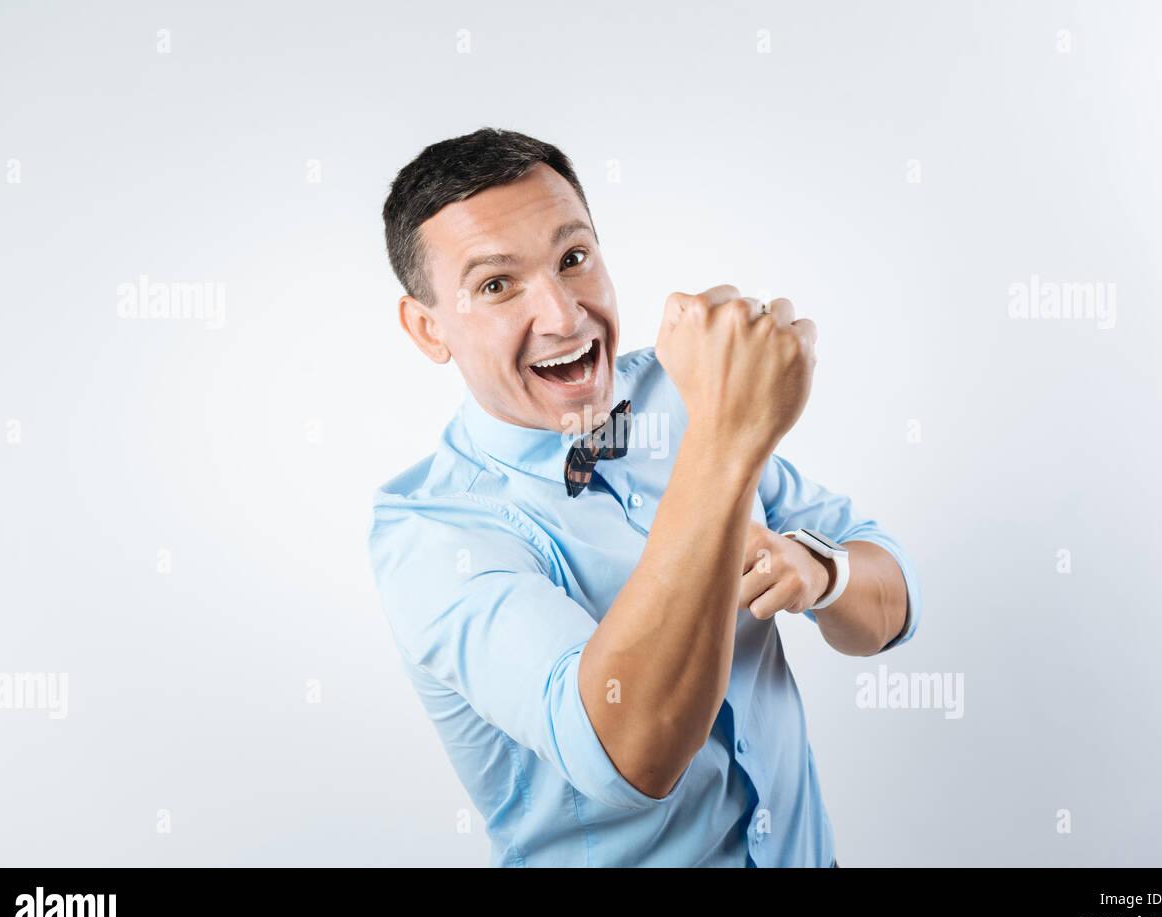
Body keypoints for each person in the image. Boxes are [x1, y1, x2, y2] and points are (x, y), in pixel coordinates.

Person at [368, 127, 920, 866]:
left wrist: (823, 571)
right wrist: (724, 442)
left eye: (573, 258)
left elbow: (894, 605)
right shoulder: (431, 534)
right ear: (428, 327)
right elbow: (629, 755)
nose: (564, 316)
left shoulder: (682, 389)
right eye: (497, 284)